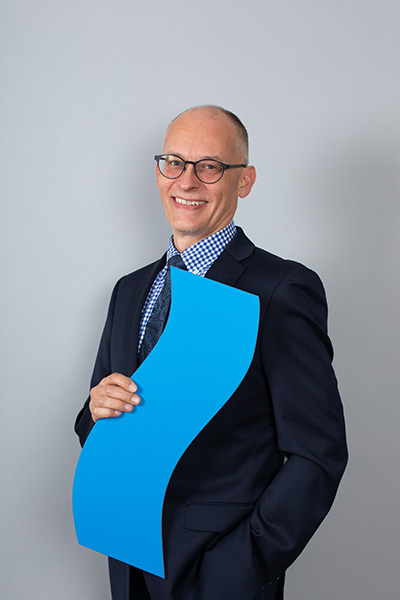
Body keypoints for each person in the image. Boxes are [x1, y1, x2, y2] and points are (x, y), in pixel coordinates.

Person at [75, 105, 348, 600]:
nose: (187, 181)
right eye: (174, 163)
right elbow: (96, 425)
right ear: (159, 172)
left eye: (210, 166)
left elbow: (319, 454)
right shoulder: (129, 290)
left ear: (244, 181)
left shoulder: (279, 290)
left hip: (221, 574)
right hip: (129, 557)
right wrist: (96, 409)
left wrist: (242, 565)